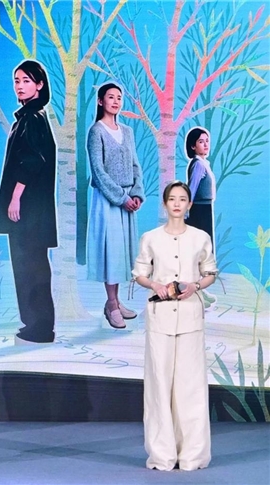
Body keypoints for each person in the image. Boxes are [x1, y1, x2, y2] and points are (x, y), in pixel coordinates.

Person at [132, 180, 218, 471]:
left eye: (183, 199)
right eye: (172, 199)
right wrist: (154, 284)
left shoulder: (200, 238)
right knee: (159, 386)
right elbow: (140, 273)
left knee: (190, 387)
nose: (177, 204)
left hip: (191, 316)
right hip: (160, 317)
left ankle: (193, 455)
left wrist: (195, 286)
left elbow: (210, 273)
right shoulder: (150, 238)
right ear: (165, 203)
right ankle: (162, 455)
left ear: (190, 204)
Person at [0, 59, 57, 344]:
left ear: (40, 85)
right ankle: (35, 323)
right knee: (29, 265)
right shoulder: (30, 116)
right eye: (17, 81)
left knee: (30, 266)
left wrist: (16, 197)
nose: (19, 86)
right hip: (31, 210)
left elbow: (32, 160)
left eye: (26, 81)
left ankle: (40, 326)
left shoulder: (32, 117)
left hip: (28, 210)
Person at [86, 82, 145, 329]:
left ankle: (117, 301)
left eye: (119, 97)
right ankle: (111, 304)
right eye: (111, 97)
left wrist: (137, 193)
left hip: (128, 199)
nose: (116, 101)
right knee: (111, 252)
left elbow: (135, 164)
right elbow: (98, 172)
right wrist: (122, 198)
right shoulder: (96, 131)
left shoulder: (127, 131)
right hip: (109, 201)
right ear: (101, 101)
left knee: (121, 253)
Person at [185, 127, 217, 307]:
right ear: (193, 146)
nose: (205, 145)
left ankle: (200, 290)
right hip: (198, 212)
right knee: (199, 252)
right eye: (200, 142)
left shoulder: (204, 163)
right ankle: (196, 293)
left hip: (205, 209)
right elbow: (192, 188)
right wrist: (187, 211)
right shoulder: (198, 164)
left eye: (207, 141)